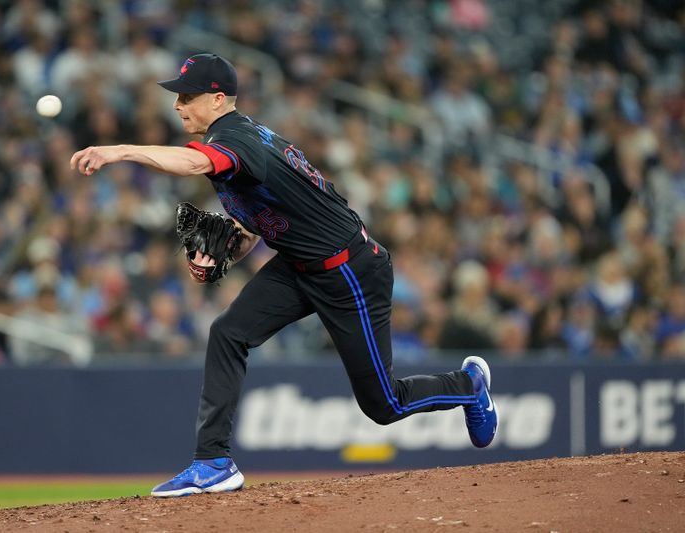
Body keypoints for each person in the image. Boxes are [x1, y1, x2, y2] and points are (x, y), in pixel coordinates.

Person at [70, 53, 498, 498]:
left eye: (187, 96)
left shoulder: (235, 139)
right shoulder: (238, 137)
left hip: (348, 270)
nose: (178, 105)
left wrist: (120, 150)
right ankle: (213, 461)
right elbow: (259, 222)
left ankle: (468, 385)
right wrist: (224, 256)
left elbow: (195, 164)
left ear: (218, 100)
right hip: (300, 264)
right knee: (227, 333)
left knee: (383, 404)